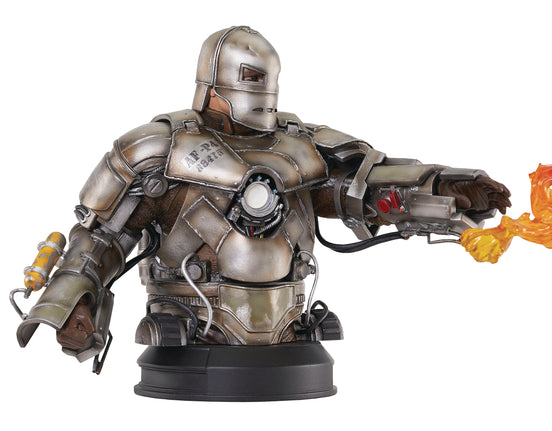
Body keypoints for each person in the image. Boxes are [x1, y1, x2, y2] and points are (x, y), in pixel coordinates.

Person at [16, 26, 510, 401]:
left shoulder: (301, 146)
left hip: (293, 331)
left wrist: (442, 188)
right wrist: (72, 304)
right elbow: (101, 236)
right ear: (212, 83)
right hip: (190, 327)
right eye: (249, 80)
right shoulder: (159, 150)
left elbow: (363, 187)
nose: (257, 95)